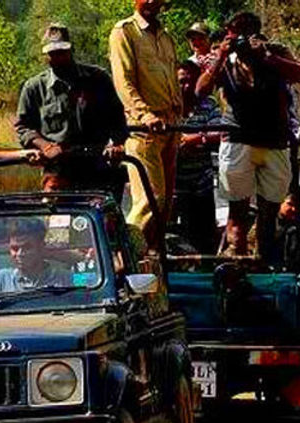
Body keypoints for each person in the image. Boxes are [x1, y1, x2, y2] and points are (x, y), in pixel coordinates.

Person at [196, 11, 300, 257]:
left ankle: (262, 263)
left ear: (256, 34)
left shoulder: (274, 51)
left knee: (269, 213)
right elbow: (200, 90)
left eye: (243, 34)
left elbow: (299, 75)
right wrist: (222, 55)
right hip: (237, 140)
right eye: (234, 34)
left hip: (275, 141)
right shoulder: (224, 57)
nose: (240, 40)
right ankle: (238, 262)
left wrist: (266, 56)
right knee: (237, 213)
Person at [14, 24, 128, 194]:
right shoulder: (34, 88)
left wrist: (117, 144)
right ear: (45, 55)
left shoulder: (98, 79)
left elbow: (117, 117)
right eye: (52, 53)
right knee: (58, 217)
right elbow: (23, 127)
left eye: (62, 51)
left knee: (103, 216)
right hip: (58, 170)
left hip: (98, 165)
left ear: (71, 49)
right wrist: (45, 146)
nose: (58, 57)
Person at [109, 0, 183, 252]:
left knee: (165, 206)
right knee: (150, 201)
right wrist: (145, 115)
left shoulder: (165, 36)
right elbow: (123, 81)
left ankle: (153, 260)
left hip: (171, 128)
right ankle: (123, 256)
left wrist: (178, 114)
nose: (152, 1)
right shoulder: (124, 31)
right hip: (145, 131)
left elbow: (172, 78)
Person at [173, 60, 225, 253]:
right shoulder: (167, 104)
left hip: (201, 183)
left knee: (204, 237)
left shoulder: (208, 104)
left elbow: (221, 132)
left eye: (190, 81)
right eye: (181, 81)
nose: (185, 86)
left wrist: (197, 139)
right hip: (173, 184)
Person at [0, 218, 72, 293]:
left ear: (41, 247)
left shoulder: (66, 277)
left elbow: (85, 280)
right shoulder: (2, 279)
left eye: (27, 248)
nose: (19, 254)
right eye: (15, 249)